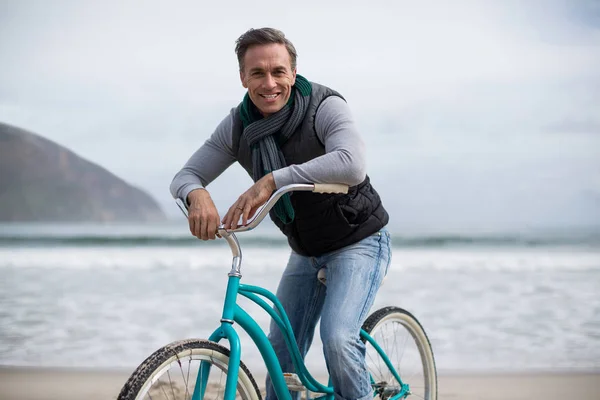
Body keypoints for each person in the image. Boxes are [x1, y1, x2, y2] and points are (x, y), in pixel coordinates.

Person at [170, 27, 391, 400]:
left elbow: (351, 164)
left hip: (359, 241)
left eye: (278, 71)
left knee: (337, 338)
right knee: (279, 355)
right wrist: (197, 194)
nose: (269, 83)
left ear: (293, 71)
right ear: (243, 77)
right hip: (306, 251)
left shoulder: (324, 106)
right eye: (257, 73)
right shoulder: (239, 126)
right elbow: (186, 175)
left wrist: (272, 180)